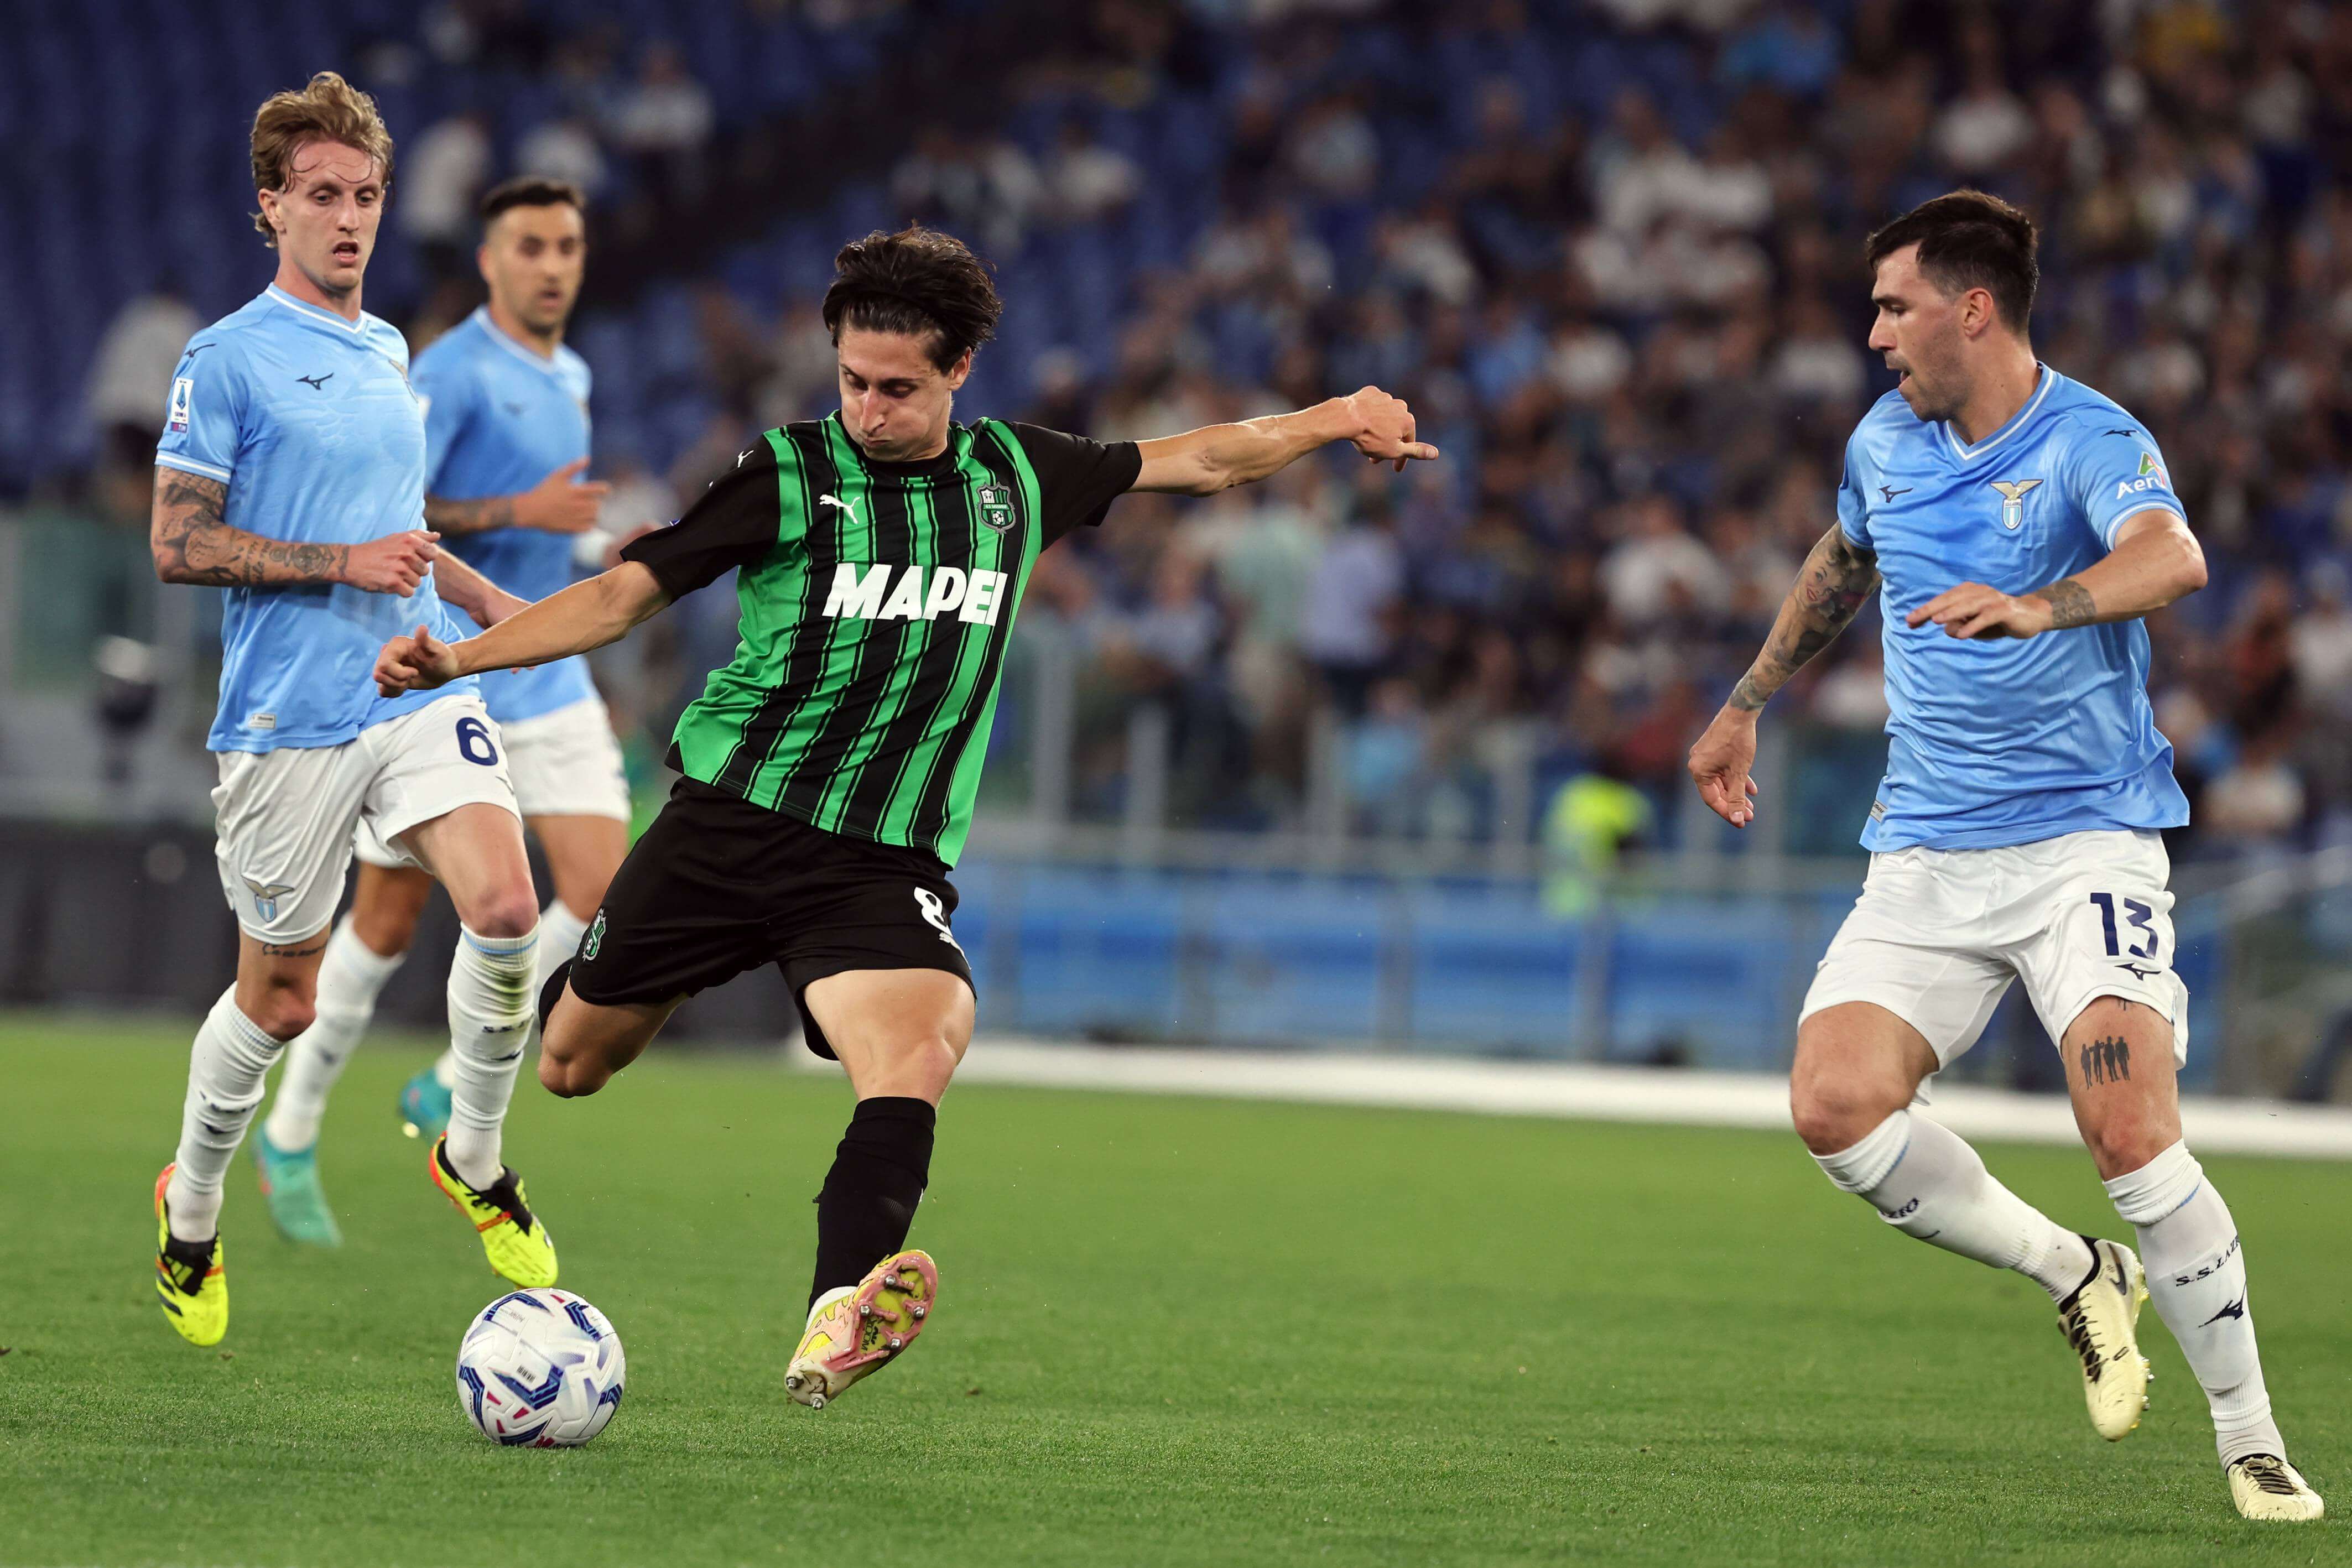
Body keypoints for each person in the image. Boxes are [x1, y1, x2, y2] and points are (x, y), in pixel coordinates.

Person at [372, 225, 1435, 1409]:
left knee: (917, 1050)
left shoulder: (1016, 477)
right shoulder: (783, 472)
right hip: (727, 826)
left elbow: (1200, 460)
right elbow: (624, 594)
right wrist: (459, 658)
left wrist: (1334, 413)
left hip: (877, 861)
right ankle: (471, 1091)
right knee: (571, 1065)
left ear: (957, 372)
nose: (869, 410)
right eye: (852, 384)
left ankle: (836, 1311)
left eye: (897, 388)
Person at [1686, 190, 2320, 1523]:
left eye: (1892, 306)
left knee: (2125, 1126)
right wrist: (1745, 700)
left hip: (2083, 838)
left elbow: (2175, 554)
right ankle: (2075, 1272)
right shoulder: (1882, 438)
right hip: (1923, 845)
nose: (1872, 336)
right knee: (1831, 1104)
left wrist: (2043, 602)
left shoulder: (2090, 436)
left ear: (1970, 310)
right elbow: (1842, 556)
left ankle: (2250, 1440)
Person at [148, 73, 557, 1348]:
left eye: (367, 196)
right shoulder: (226, 358)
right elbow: (176, 541)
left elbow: (403, 538)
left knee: (505, 907)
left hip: (412, 687)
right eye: (321, 195)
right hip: (287, 722)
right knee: (278, 1001)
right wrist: (339, 565)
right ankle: (193, 1198)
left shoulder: (388, 351)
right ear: (270, 206)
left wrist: (514, 605)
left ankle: (472, 1154)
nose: (348, 219)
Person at [251, 177, 627, 1248]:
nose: (553, 263)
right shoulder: (449, 371)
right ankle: (293, 1127)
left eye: (568, 244)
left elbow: (544, 540)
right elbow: (396, 510)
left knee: (606, 894)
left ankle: (454, 1078)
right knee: (385, 922)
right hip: (449, 669)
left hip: (546, 672)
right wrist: (521, 512)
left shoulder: (577, 372)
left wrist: (597, 549)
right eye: (531, 246)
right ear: (492, 260)